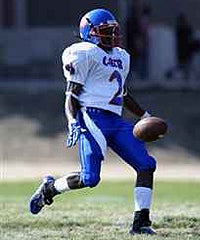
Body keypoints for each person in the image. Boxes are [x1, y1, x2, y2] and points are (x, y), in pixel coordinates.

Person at [29, 9, 157, 235]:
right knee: (90, 178)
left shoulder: (122, 56)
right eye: (108, 31)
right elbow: (72, 95)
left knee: (146, 165)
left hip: (115, 120)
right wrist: (72, 121)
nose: (114, 35)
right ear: (90, 33)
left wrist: (145, 116)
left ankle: (141, 223)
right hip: (91, 117)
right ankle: (50, 188)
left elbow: (122, 93)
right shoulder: (84, 53)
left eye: (115, 30)